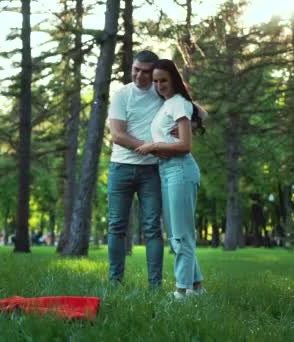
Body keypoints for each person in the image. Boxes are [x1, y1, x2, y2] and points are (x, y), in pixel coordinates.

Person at [135, 59, 206, 299]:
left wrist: (154, 145)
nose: (158, 85)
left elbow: (185, 146)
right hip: (166, 172)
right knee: (176, 233)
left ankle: (181, 291)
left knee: (181, 234)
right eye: (155, 81)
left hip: (181, 171)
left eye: (163, 80)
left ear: (173, 79)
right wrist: (160, 146)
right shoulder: (168, 104)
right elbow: (194, 117)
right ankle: (196, 288)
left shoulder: (178, 104)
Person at [107, 50, 164, 289]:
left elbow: (195, 111)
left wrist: (182, 132)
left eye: (146, 72)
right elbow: (117, 135)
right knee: (116, 226)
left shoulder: (162, 93)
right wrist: (150, 147)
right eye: (136, 70)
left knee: (152, 227)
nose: (139, 75)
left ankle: (155, 286)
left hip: (151, 172)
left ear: (155, 73)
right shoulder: (122, 95)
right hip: (121, 168)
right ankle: (115, 282)